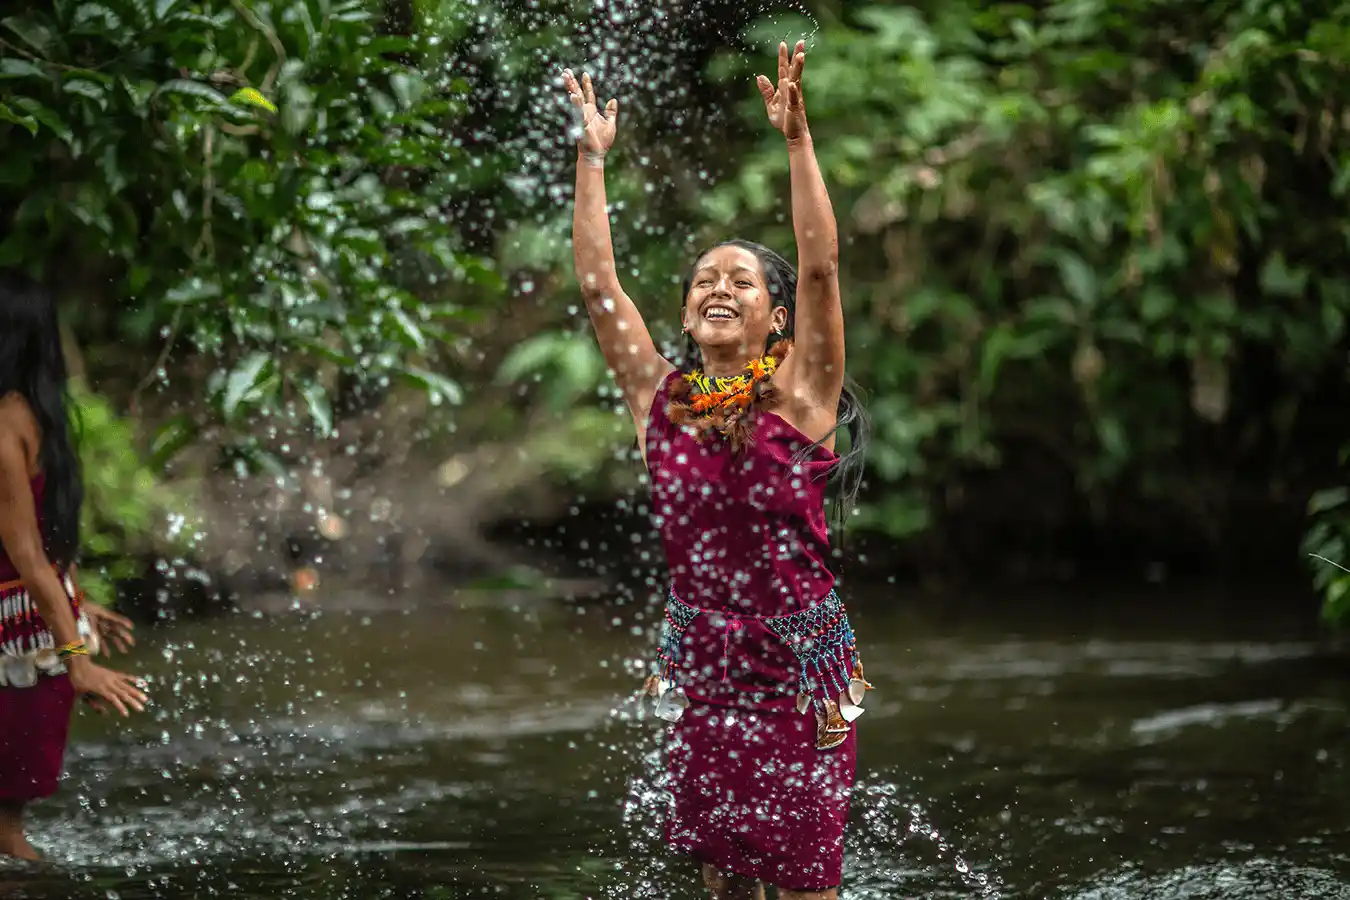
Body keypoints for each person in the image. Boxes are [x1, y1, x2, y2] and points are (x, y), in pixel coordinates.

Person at [564, 39, 871, 900]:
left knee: (807, 886)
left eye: (741, 279)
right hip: (706, 668)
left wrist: (798, 142)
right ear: (688, 313)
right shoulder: (658, 400)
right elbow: (598, 289)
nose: (718, 286)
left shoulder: (803, 394)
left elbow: (819, 264)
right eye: (704, 279)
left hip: (801, 671)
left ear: (778, 320)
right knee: (725, 885)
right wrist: (593, 160)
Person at [0, 272, 148, 861]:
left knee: (7, 842)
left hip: (20, 647)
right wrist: (78, 610)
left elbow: (28, 555)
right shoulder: (39, 415)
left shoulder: (3, 423)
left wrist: (77, 659)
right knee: (9, 836)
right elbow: (47, 550)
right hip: (34, 638)